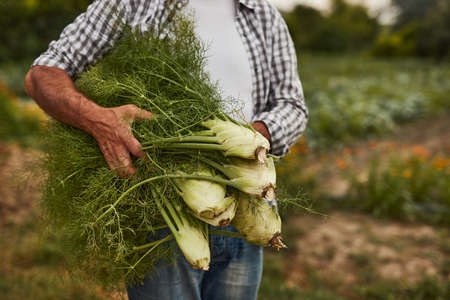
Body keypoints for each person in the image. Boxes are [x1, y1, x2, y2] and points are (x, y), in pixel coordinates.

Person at [24, 0, 308, 299]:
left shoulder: (262, 14)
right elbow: (42, 75)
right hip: (162, 211)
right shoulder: (134, 4)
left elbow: (292, 105)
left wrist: (249, 140)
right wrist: (100, 120)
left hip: (250, 208)